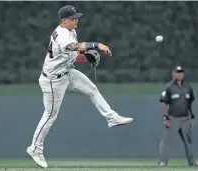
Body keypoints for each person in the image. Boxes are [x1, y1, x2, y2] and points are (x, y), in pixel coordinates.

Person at [26, 5, 133, 168]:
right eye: (73, 18)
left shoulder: (70, 32)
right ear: (64, 20)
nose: (76, 20)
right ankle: (35, 148)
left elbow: (72, 54)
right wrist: (97, 45)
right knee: (50, 115)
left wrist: (85, 57)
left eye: (76, 17)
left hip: (67, 73)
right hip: (53, 81)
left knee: (92, 89)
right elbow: (74, 47)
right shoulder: (62, 35)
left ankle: (112, 118)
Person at [158, 66, 197, 167]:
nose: (180, 74)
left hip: (185, 118)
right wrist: (165, 118)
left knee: (189, 141)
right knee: (167, 141)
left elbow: (190, 103)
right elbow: (164, 103)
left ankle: (192, 162)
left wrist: (193, 116)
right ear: (174, 74)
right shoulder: (169, 87)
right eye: (177, 72)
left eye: (181, 72)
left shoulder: (187, 87)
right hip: (173, 118)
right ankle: (163, 162)